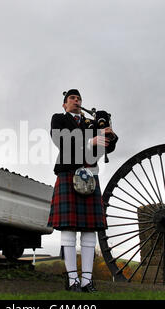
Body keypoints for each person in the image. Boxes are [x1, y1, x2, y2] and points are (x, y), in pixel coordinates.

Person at [47, 89, 118, 292]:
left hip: (90, 175)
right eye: (72, 98)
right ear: (64, 104)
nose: (76, 101)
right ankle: (72, 281)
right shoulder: (59, 119)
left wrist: (107, 129)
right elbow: (61, 141)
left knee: (89, 230)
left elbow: (107, 147)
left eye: (79, 98)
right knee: (69, 228)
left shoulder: (91, 123)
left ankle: (86, 280)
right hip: (68, 173)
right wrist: (90, 141)